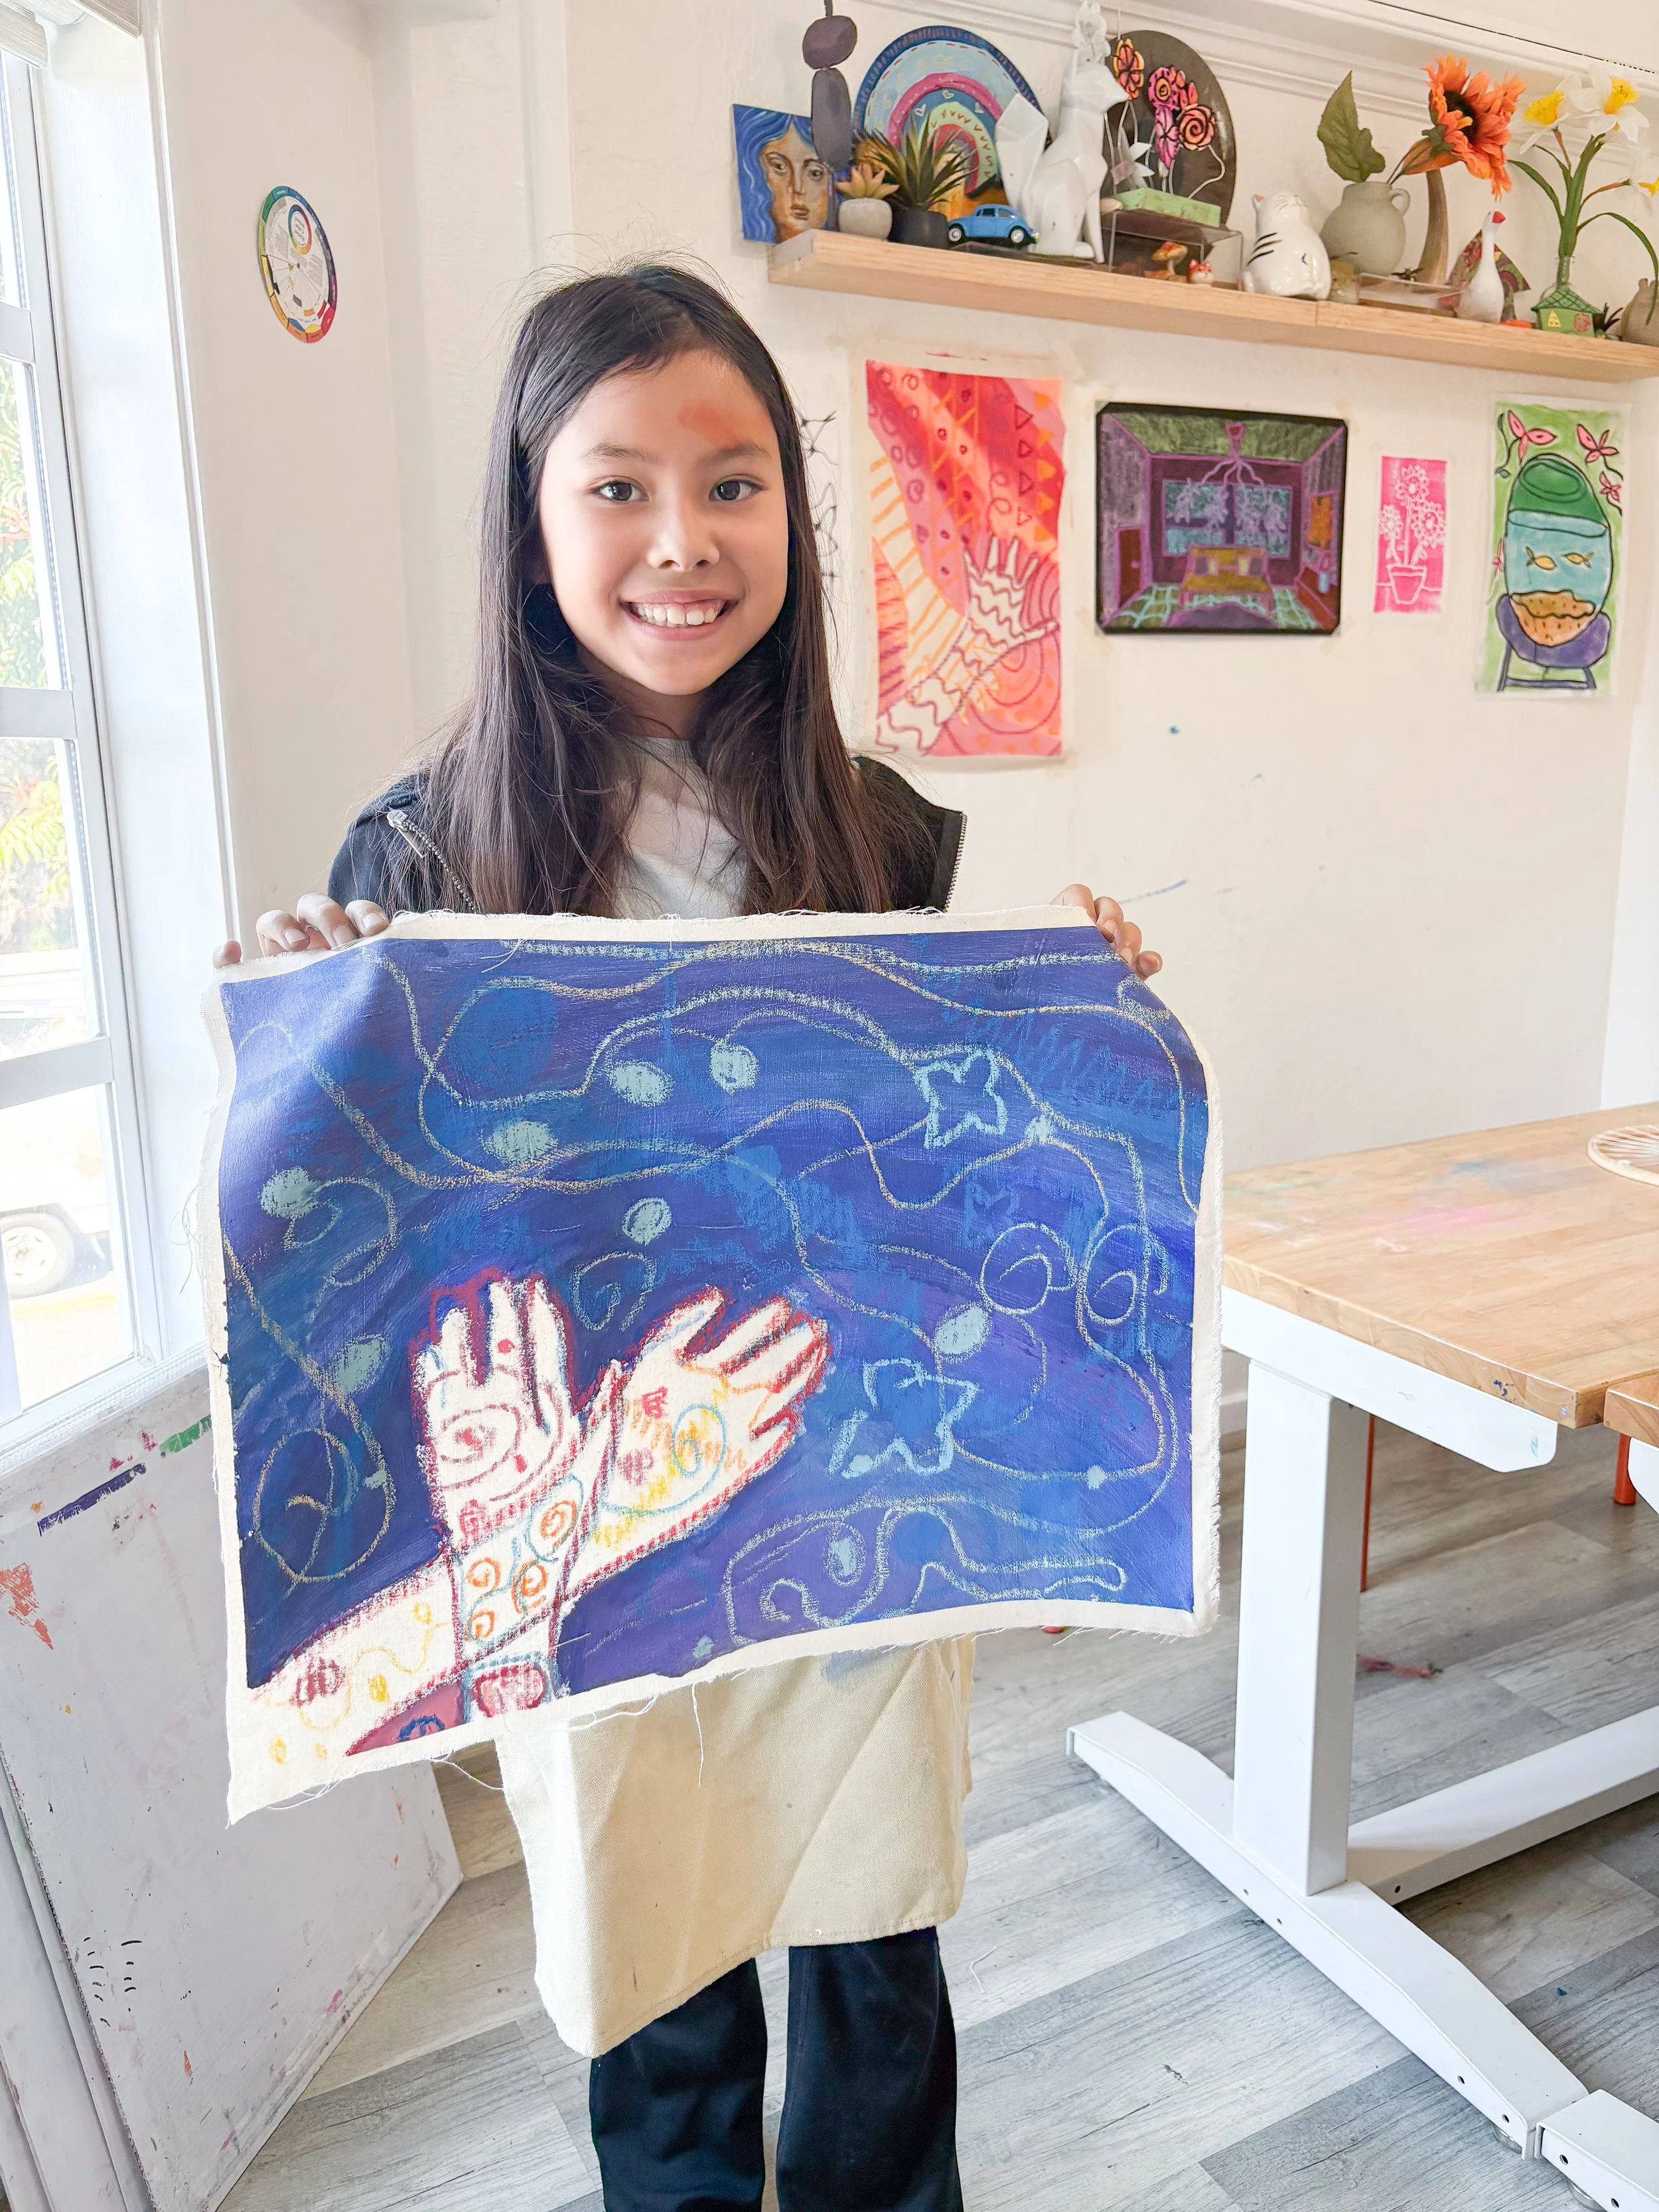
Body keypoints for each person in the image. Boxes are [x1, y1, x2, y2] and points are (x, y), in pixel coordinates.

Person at [215, 263, 1160, 2212]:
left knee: (877, 1941)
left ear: (796, 518)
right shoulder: (422, 853)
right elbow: (375, 1238)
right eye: (617, 485)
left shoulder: (887, 834)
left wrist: (1077, 1011)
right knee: (661, 1957)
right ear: (528, 511)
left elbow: (954, 1178)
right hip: (595, 1528)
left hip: (843, 1507)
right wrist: (315, 1014)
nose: (680, 541)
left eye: (732, 484)